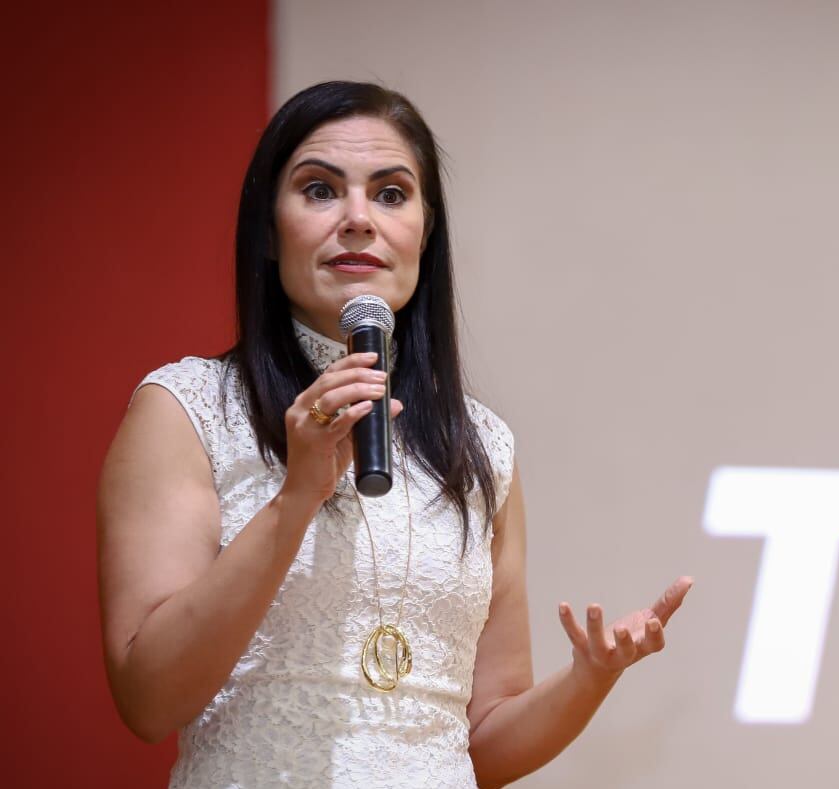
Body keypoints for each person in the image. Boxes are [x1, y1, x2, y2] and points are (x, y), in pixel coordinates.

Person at [97, 80, 693, 788]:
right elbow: (148, 699)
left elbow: (482, 744)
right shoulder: (187, 407)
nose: (357, 219)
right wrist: (295, 501)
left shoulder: (483, 445)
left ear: (426, 229)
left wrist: (589, 680)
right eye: (319, 190)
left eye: (390, 193)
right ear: (267, 227)